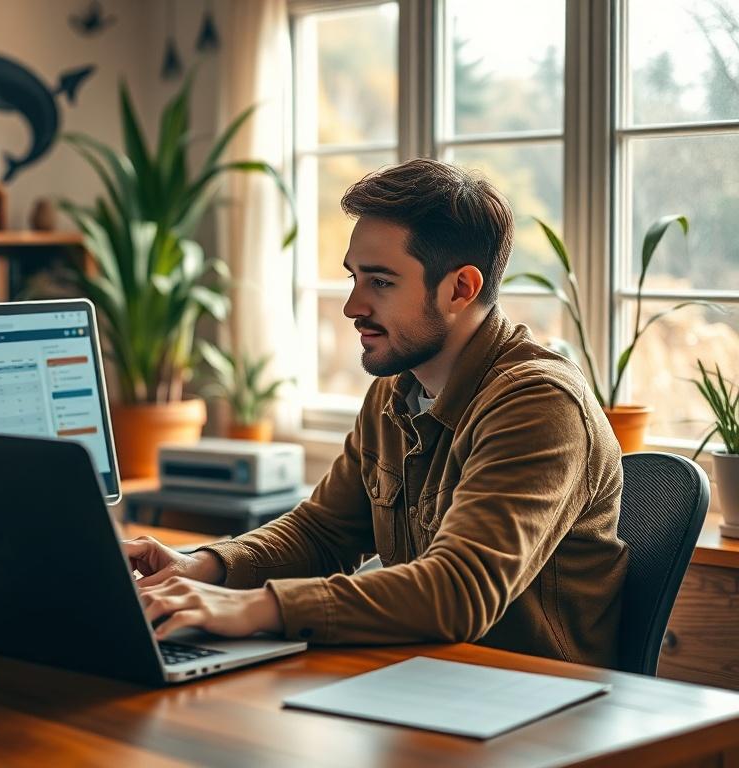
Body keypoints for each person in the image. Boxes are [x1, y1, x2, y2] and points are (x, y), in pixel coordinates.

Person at [124, 158, 627, 667]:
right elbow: (322, 533)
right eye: (354, 277)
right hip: (422, 680)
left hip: (536, 705)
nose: (352, 306)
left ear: (460, 289)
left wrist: (255, 607)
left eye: (381, 283)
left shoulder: (540, 405)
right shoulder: (396, 389)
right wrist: (203, 567)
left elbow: (459, 591)